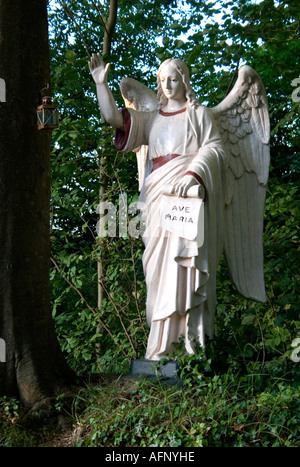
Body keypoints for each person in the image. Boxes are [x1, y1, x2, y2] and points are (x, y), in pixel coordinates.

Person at [89, 54, 226, 360]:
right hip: (157, 201)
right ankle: (159, 347)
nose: (167, 85)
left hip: (188, 200)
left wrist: (192, 174)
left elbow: (215, 149)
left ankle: (188, 347)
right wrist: (101, 84)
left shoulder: (199, 114)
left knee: (184, 269)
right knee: (157, 273)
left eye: (173, 78)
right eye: (162, 80)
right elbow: (113, 117)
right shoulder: (151, 119)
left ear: (184, 80)